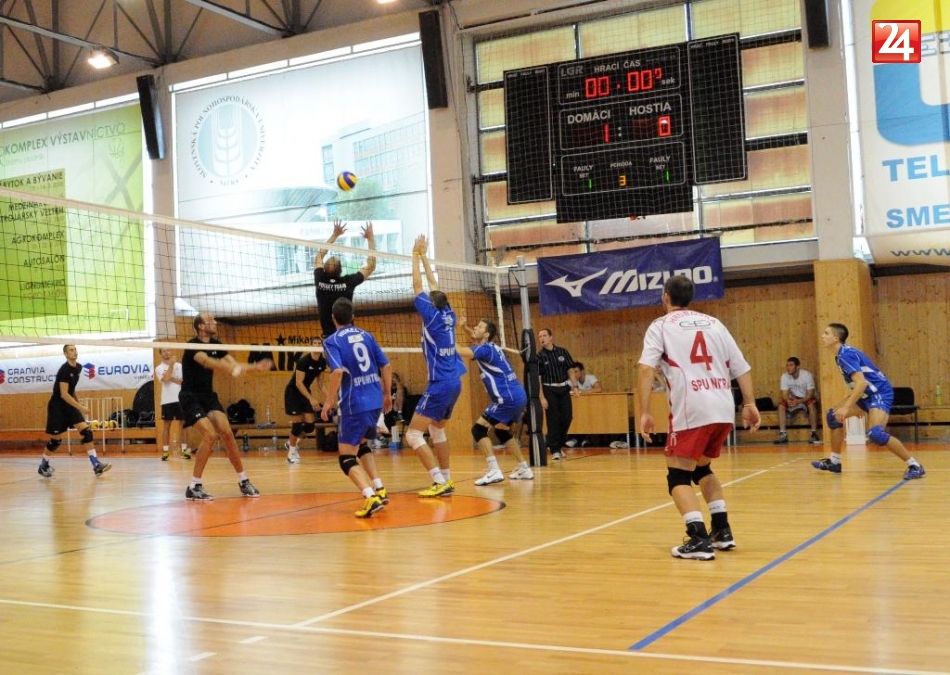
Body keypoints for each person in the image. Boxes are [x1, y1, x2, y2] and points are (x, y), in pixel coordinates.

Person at [638, 275, 761, 561]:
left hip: (691, 408)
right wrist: (750, 403)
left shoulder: (661, 325)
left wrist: (644, 411)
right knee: (702, 468)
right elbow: (741, 367)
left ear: (665, 296)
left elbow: (645, 369)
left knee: (678, 475)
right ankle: (722, 530)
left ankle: (698, 539)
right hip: (722, 406)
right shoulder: (715, 323)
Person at [180, 312, 272, 501]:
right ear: (200, 326)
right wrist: (230, 368)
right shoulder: (192, 345)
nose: (215, 322)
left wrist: (255, 367)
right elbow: (208, 362)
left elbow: (234, 364)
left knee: (228, 434)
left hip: (208, 396)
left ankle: (244, 481)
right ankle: (194, 486)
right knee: (210, 435)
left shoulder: (217, 345)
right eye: (210, 320)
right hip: (190, 397)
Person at [814, 323, 925, 479]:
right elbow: (859, 384)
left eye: (826, 333)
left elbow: (861, 383)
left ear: (836, 338)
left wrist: (847, 407)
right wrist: (854, 404)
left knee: (875, 434)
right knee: (833, 416)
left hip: (879, 392)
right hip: (866, 394)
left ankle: (915, 465)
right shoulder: (840, 355)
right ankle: (835, 462)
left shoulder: (845, 355)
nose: (822, 336)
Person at [320, 297, 393, 518]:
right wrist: (387, 394)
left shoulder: (332, 341)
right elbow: (386, 365)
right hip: (375, 401)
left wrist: (329, 402)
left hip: (354, 404)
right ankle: (379, 488)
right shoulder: (367, 336)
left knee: (346, 458)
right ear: (352, 317)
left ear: (333, 318)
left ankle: (370, 497)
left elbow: (337, 372)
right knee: (361, 445)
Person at [407, 235, 467, 498]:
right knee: (437, 428)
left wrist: (414, 255)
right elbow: (434, 285)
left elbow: (418, 285)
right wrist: (424, 257)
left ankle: (437, 481)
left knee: (413, 435)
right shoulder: (448, 313)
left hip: (440, 383)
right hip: (454, 381)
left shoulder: (431, 316)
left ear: (431, 304)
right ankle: (447, 479)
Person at [458, 316, 533, 484]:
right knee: (501, 431)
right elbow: (475, 338)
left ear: (486, 335)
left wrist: (445, 335)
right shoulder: (491, 346)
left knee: (478, 430)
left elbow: (461, 352)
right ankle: (524, 468)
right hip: (517, 395)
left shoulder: (484, 350)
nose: (475, 328)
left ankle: (494, 471)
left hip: (506, 398)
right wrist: (464, 327)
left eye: (479, 327)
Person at [37, 344, 113, 478]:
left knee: (87, 432)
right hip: (57, 407)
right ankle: (43, 465)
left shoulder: (78, 367)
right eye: (71, 350)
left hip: (69, 405)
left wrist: (77, 404)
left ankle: (96, 465)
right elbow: (64, 394)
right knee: (56, 441)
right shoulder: (64, 370)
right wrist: (80, 407)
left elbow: (71, 390)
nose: (75, 352)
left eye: (75, 349)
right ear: (66, 354)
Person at [314, 220, 377, 338]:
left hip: (329, 338)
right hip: (348, 335)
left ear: (324, 269)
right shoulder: (348, 283)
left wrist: (334, 235)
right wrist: (371, 238)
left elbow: (318, 257)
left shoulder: (320, 279)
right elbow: (371, 266)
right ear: (341, 271)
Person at [284, 337, 328, 464]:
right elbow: (298, 383)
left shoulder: (322, 362)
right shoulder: (303, 361)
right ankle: (291, 453)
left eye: (319, 343)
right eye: (315, 343)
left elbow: (320, 383)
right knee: (297, 425)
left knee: (310, 426)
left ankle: (291, 443)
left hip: (305, 393)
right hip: (293, 393)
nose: (317, 345)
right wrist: (312, 399)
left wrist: (329, 397)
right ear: (310, 346)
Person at [537, 327, 577, 460]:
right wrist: (542, 397)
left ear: (551, 337)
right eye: (540, 336)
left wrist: (575, 386)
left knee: (567, 417)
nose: (542, 338)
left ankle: (556, 443)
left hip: (564, 388)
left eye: (544, 335)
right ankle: (555, 449)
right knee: (553, 419)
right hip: (549, 389)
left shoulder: (562, 352)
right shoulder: (539, 356)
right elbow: (538, 378)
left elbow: (570, 370)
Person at [774, 356, 821, 445]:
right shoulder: (784, 376)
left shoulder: (806, 375)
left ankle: (814, 433)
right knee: (781, 405)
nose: (788, 368)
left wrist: (799, 401)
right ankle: (783, 434)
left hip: (805, 398)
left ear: (797, 367)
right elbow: (784, 394)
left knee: (812, 404)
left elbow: (810, 394)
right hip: (793, 398)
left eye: (791, 365)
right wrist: (787, 400)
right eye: (787, 365)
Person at [155, 348, 191, 461]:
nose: (167, 353)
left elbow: (182, 381)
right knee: (167, 425)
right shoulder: (158, 368)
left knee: (183, 424)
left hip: (180, 398)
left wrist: (170, 377)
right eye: (164, 351)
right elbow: (165, 380)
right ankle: (165, 452)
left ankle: (184, 450)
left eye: (168, 350)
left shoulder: (179, 366)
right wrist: (171, 366)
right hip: (167, 400)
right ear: (160, 354)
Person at [566, 361, 603, 448]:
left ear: (582, 371)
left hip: (593, 408)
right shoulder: (571, 381)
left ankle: (588, 439)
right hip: (578, 409)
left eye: (576, 371)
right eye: (573, 372)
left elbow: (599, 389)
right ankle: (574, 439)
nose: (574, 374)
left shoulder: (590, 378)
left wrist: (583, 392)